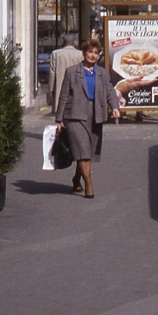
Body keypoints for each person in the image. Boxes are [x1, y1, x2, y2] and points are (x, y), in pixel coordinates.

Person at [55, 38, 121, 199]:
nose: (93, 56)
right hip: (75, 115)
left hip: (95, 114)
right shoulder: (72, 71)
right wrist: (58, 119)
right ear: (84, 53)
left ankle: (77, 178)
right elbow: (64, 95)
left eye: (96, 53)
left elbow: (110, 91)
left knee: (87, 152)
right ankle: (89, 184)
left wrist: (115, 107)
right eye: (90, 52)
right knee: (83, 150)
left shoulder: (102, 73)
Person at [48, 32, 83, 114]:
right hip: (76, 83)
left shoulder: (56, 53)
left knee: (60, 108)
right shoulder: (80, 54)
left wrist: (51, 89)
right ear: (74, 42)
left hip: (60, 84)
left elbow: (52, 72)